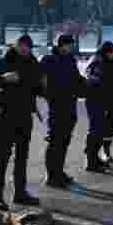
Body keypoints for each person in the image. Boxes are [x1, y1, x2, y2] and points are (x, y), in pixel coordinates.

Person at [0, 34, 44, 210]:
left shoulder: (33, 63)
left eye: (28, 47)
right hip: (7, 114)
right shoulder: (4, 62)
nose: (25, 50)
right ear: (16, 45)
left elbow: (38, 87)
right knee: (3, 155)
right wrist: (3, 79)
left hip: (25, 114)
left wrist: (42, 85)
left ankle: (20, 193)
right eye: (22, 46)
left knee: (22, 156)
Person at [40, 33, 85, 187]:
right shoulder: (49, 60)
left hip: (70, 104)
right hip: (57, 105)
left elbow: (77, 79)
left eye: (72, 44)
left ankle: (59, 171)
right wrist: (50, 96)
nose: (71, 47)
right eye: (69, 44)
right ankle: (51, 175)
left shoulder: (70, 60)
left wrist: (87, 87)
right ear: (61, 45)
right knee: (55, 140)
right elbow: (42, 81)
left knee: (64, 140)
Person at [84, 41, 113, 172]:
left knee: (100, 130)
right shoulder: (98, 63)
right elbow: (94, 80)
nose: (112, 55)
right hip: (95, 100)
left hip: (101, 100)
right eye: (110, 52)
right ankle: (91, 160)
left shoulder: (104, 62)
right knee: (95, 130)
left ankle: (94, 157)